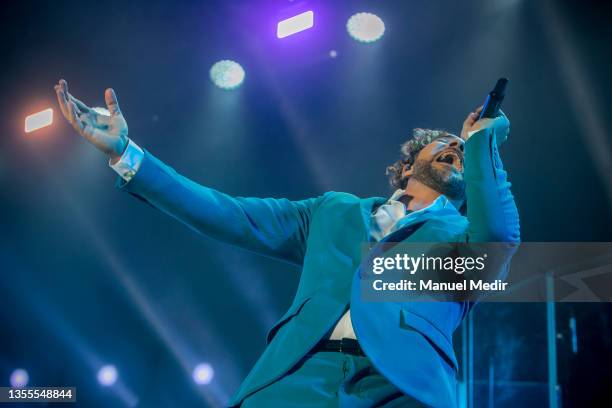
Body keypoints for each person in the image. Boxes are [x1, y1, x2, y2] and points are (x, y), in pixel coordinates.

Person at [55, 79, 520, 407]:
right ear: (405, 167)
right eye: (445, 143)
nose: (455, 148)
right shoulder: (333, 211)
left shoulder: (462, 239)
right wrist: (125, 154)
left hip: (403, 388)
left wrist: (481, 142)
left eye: (461, 149)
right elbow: (226, 212)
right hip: (294, 380)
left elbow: (497, 238)